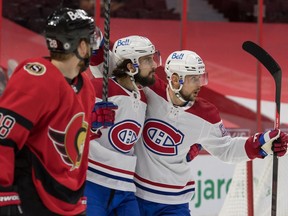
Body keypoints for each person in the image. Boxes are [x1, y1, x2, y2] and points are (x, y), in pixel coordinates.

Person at [133, 49, 288, 216]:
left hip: (174, 203)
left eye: (201, 77)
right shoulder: (150, 90)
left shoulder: (206, 114)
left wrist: (260, 144)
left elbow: (226, 149)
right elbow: (117, 71)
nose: (199, 84)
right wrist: (99, 44)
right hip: (136, 194)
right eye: (194, 79)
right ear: (176, 80)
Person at [0, 7, 116, 215]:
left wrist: (93, 126)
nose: (94, 47)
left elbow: (67, 140)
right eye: (91, 40)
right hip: (34, 198)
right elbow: (4, 137)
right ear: (81, 46)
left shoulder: (85, 85)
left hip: (71, 200)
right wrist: (3, 193)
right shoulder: (35, 77)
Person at [85, 35, 161, 216]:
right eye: (148, 60)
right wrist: (90, 125)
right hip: (92, 181)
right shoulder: (97, 88)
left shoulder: (143, 97)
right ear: (130, 66)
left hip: (125, 186)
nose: (154, 65)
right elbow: (65, 126)